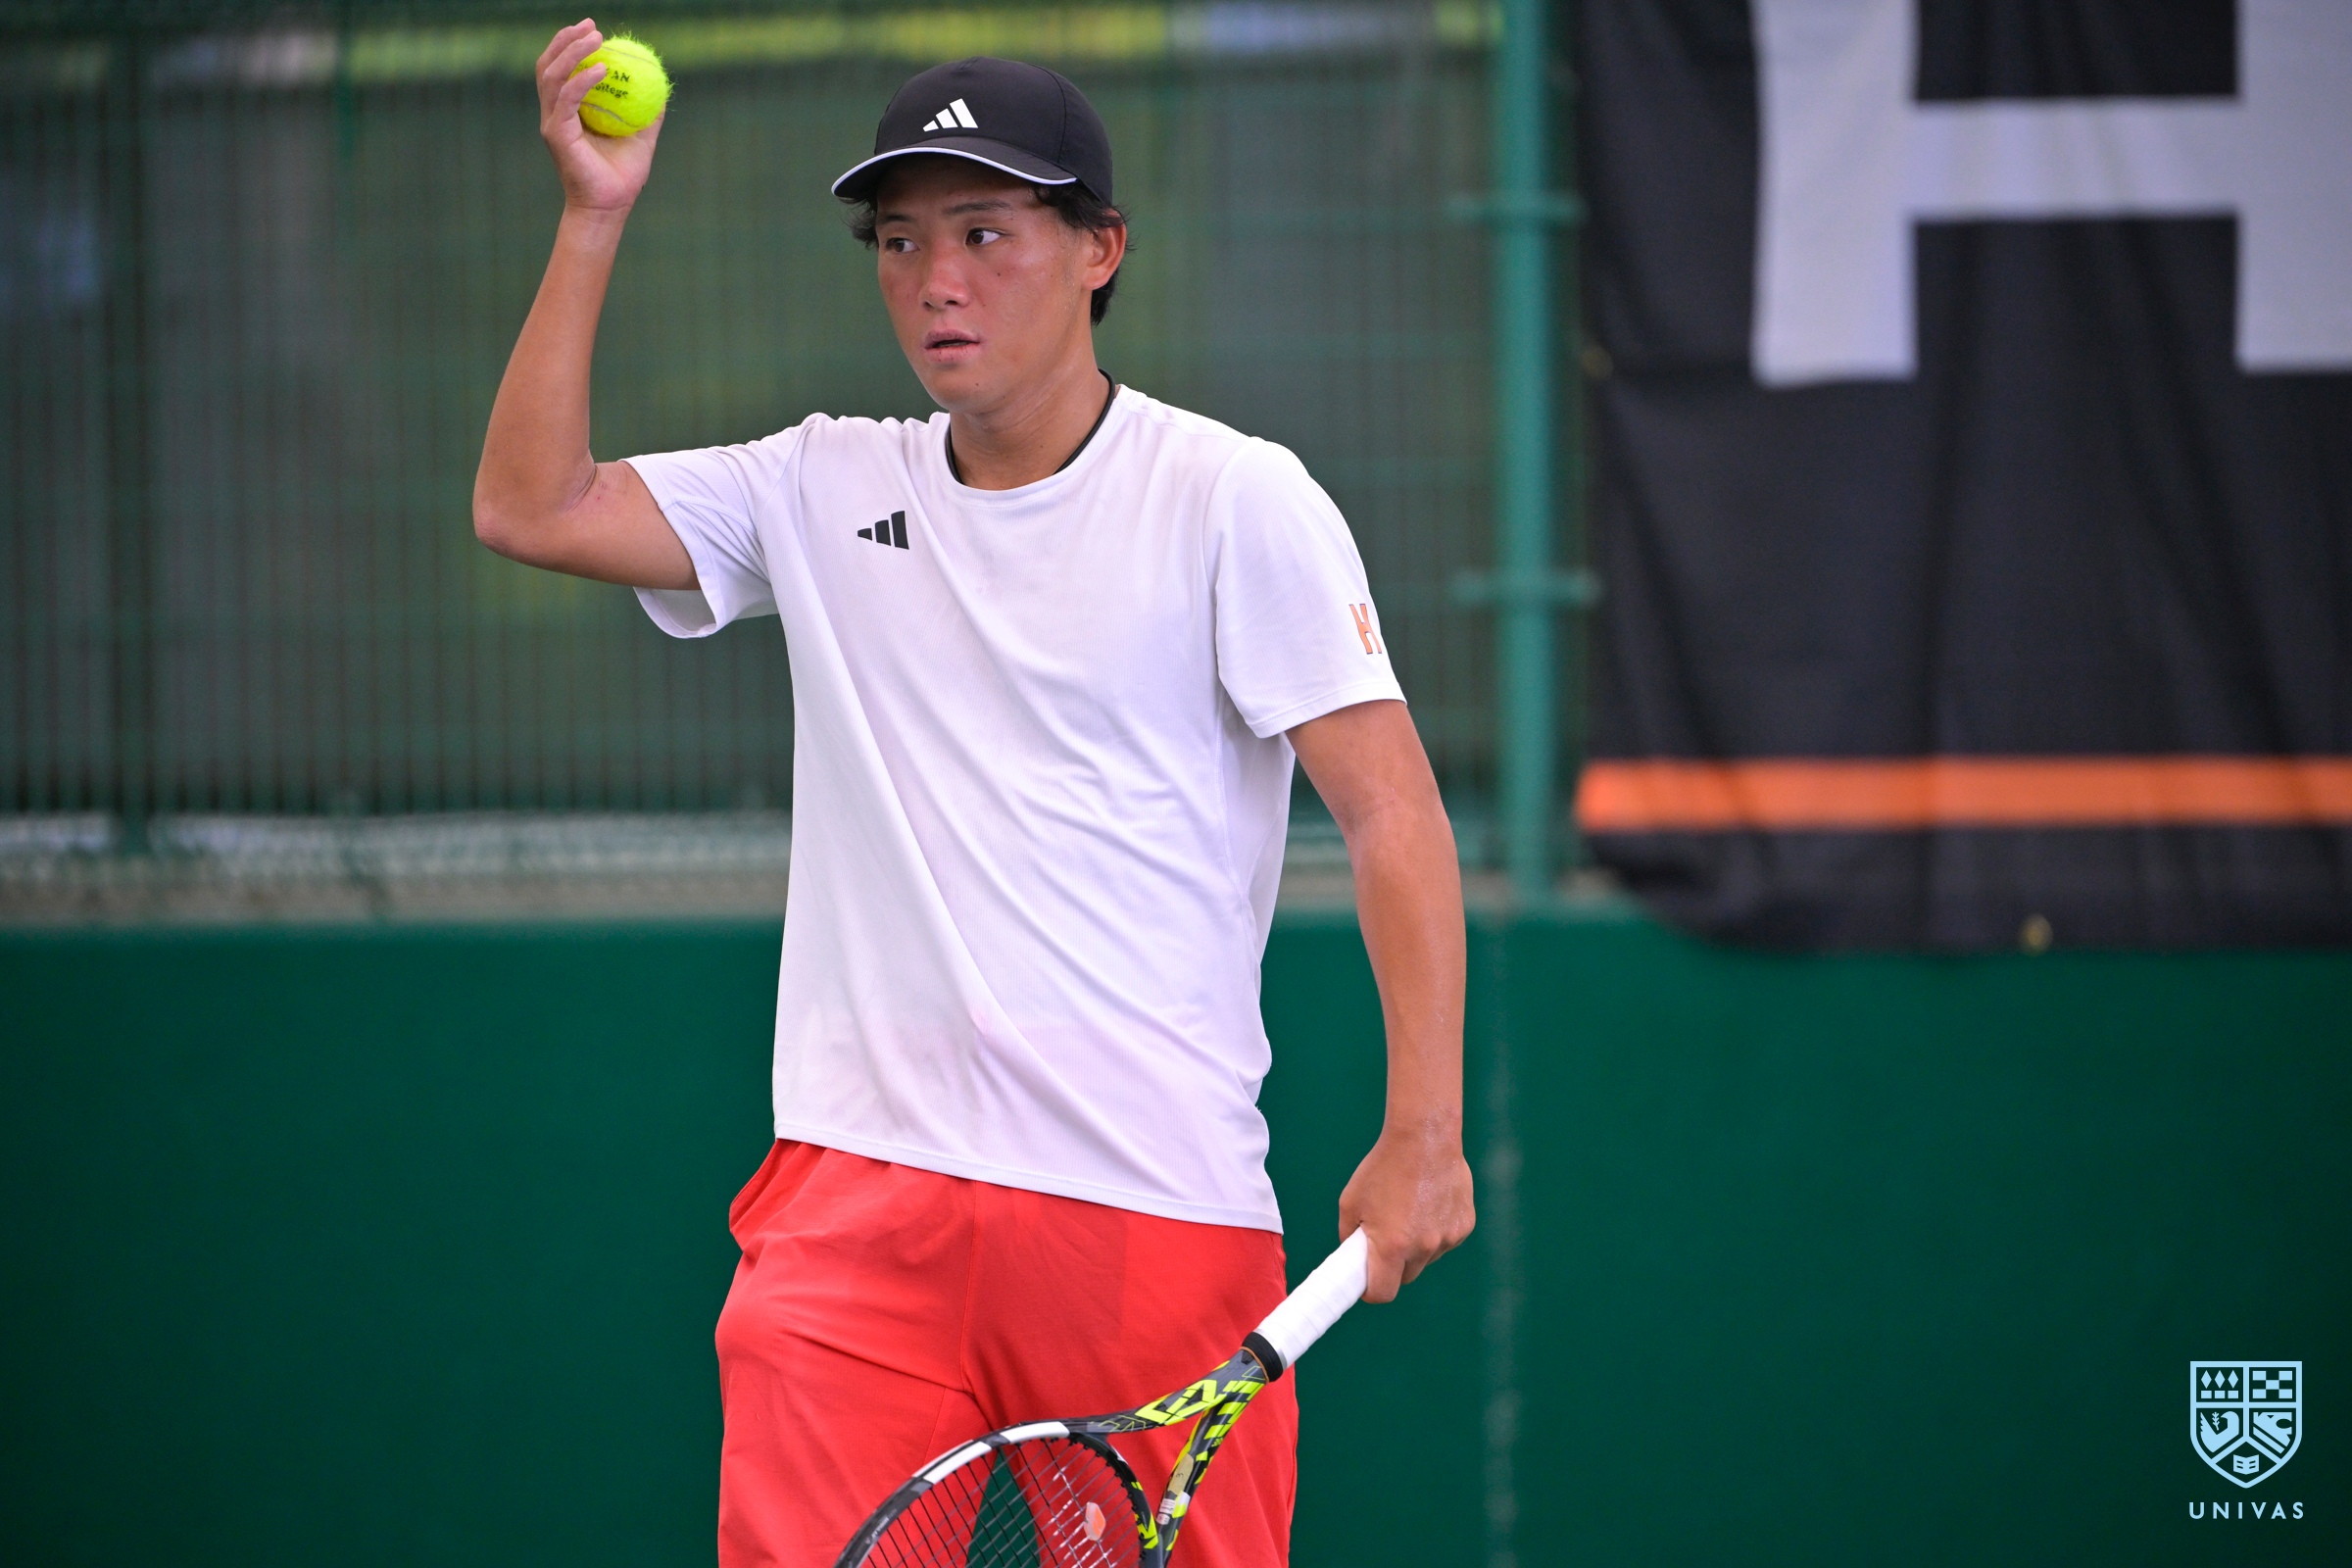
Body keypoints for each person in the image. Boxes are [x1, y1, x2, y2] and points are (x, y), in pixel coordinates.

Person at [474, 21, 1474, 1568]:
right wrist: (593, 214)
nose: (936, 279)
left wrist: (1425, 1132)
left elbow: (1393, 814)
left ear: (1099, 251)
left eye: (986, 234)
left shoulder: (1233, 498)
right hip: (853, 1209)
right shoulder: (819, 484)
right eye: (901, 242)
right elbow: (530, 507)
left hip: (1147, 1215)